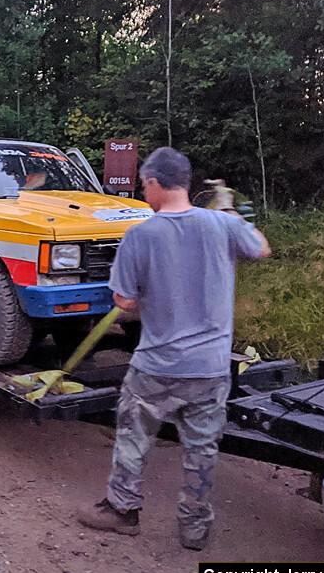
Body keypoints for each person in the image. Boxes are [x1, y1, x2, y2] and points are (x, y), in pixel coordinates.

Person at [76, 147, 271, 551]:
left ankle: (122, 510)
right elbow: (260, 248)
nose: (143, 193)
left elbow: (124, 301)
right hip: (211, 367)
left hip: (157, 366)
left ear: (153, 184)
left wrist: (148, 294)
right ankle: (194, 528)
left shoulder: (140, 235)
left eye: (144, 186)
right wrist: (236, 219)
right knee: (202, 448)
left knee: (133, 435)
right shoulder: (223, 225)